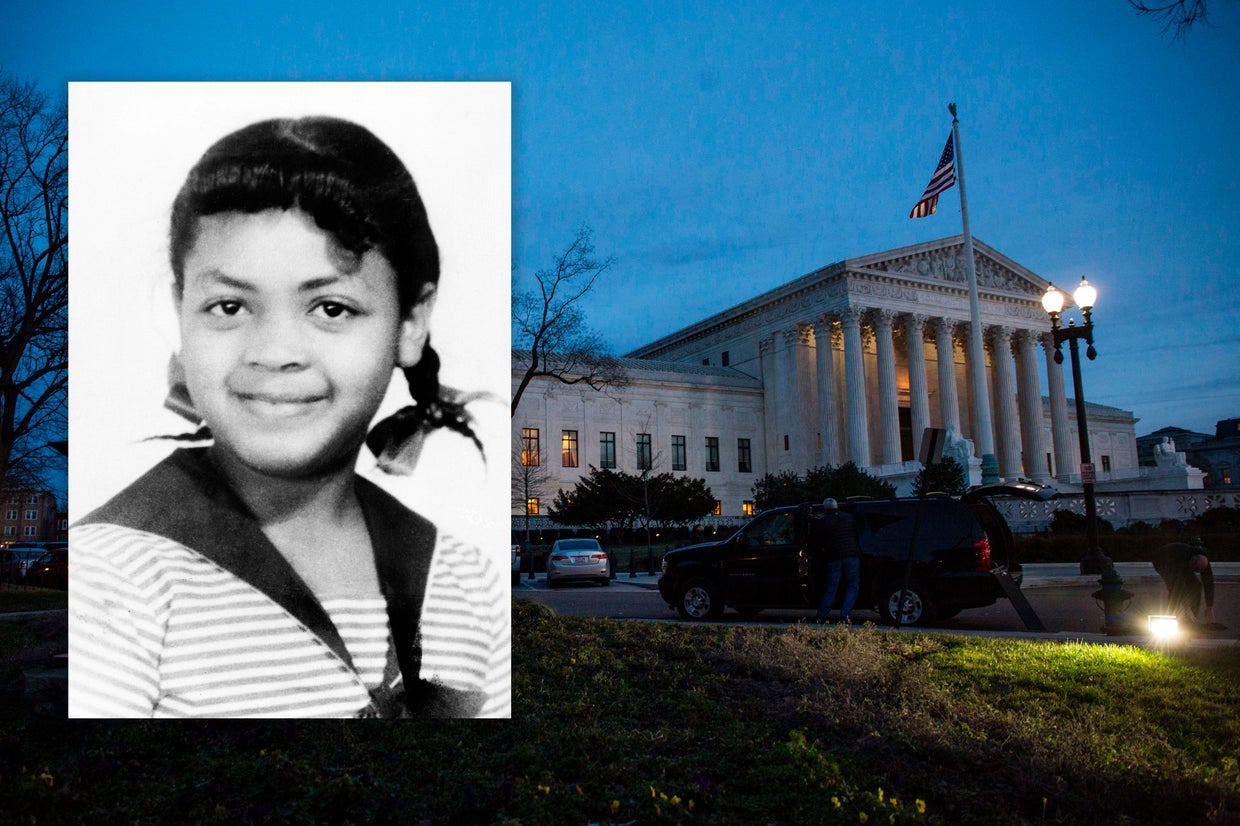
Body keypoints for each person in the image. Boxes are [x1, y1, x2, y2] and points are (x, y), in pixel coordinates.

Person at [69, 116, 509, 719]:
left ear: (411, 322)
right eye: (228, 306)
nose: (275, 353)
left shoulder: (467, 584)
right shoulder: (113, 579)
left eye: (330, 307)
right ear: (181, 310)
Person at [810, 498, 862, 623]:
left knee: (832, 586)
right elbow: (857, 534)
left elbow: (816, 540)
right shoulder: (849, 518)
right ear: (837, 506)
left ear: (825, 509)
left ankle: (822, 614)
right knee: (852, 585)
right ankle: (845, 614)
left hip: (834, 557)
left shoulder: (824, 521)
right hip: (851, 555)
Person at [1152, 538, 1216, 625]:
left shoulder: (1203, 560)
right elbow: (1177, 584)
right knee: (1175, 590)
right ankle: (1170, 616)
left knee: (1196, 585)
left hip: (1180, 556)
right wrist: (1186, 607)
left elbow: (1208, 583)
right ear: (1190, 565)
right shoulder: (1180, 563)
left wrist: (1209, 607)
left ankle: (1193, 618)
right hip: (1161, 559)